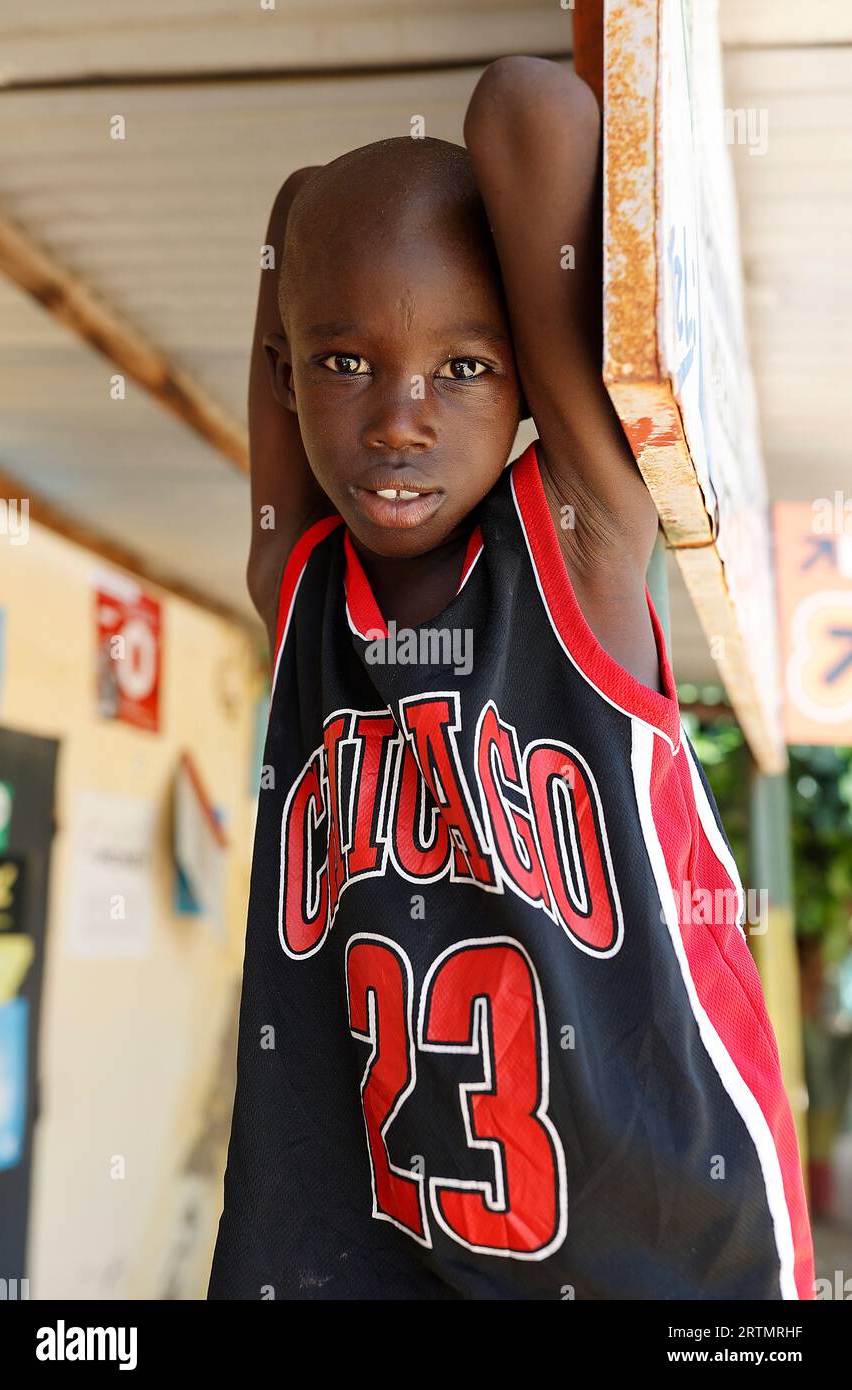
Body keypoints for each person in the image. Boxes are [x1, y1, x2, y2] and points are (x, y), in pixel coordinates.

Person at [208, 55, 815, 1300]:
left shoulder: (578, 547)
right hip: (390, 1238)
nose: (397, 418)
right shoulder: (303, 585)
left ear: (530, 387)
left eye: (466, 367)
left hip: (666, 1241)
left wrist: (326, 222)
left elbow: (531, 112)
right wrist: (311, 231)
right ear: (289, 371)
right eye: (343, 363)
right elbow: (286, 239)